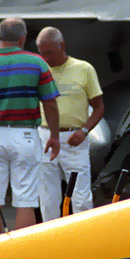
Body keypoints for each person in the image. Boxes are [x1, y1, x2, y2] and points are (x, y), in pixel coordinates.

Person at [0, 17, 61, 239]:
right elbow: (51, 105)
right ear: (23, 38)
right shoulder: (37, 63)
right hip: (25, 135)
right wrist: (54, 136)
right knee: (26, 202)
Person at [34, 26, 105, 220]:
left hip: (75, 138)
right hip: (44, 136)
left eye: (49, 52)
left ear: (62, 46)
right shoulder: (39, 70)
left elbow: (98, 107)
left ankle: (84, 239)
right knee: (48, 198)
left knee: (81, 198)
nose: (46, 58)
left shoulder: (84, 69)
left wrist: (84, 131)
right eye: (42, 53)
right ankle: (51, 241)